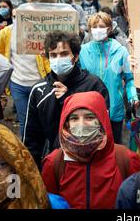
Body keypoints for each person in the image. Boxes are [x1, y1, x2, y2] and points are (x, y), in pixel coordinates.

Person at [23, 31, 110, 168]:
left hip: (91, 163)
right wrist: (32, 171)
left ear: (75, 57)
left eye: (64, 54)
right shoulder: (39, 90)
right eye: (53, 55)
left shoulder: (94, 85)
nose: (58, 59)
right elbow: (32, 137)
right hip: (56, 164)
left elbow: (103, 128)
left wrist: (69, 99)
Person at [41, 91, 140, 209]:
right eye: (74, 118)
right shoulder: (54, 163)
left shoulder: (126, 159)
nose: (81, 124)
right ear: (66, 124)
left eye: (89, 117)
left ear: (101, 120)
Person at [80, 12, 138, 144]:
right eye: (94, 26)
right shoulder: (82, 51)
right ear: (90, 29)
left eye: (101, 26)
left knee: (114, 146)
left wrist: (133, 96)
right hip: (89, 110)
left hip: (114, 108)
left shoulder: (121, 51)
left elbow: (129, 79)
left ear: (109, 29)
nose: (98, 29)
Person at [0, 9, 50, 137]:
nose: (18, 20)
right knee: (24, 121)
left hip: (39, 83)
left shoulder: (42, 32)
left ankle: (44, 149)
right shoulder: (6, 33)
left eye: (22, 17)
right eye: (15, 16)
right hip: (17, 84)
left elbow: (52, 54)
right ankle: (28, 151)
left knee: (42, 118)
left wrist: (46, 55)